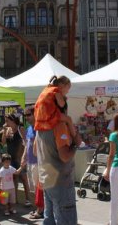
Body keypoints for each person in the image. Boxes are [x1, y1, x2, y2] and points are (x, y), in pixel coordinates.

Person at [34, 75, 82, 225]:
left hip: (46, 179)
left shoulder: (39, 128)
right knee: (65, 218)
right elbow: (65, 156)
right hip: (61, 181)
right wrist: (75, 144)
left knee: (49, 218)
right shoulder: (59, 126)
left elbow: (36, 152)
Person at [1, 113, 31, 206]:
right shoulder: (8, 130)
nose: (6, 122)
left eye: (7, 120)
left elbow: (26, 142)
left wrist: (23, 156)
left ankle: (28, 199)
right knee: (14, 178)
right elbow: (3, 142)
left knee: (24, 178)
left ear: (13, 120)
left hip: (19, 158)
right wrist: (4, 131)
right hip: (10, 158)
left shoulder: (20, 129)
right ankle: (15, 199)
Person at [21, 106, 43, 219]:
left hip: (38, 163)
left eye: (29, 114)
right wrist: (24, 157)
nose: (26, 117)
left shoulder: (39, 127)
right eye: (25, 115)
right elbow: (27, 144)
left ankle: (40, 210)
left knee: (39, 187)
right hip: (31, 162)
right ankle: (38, 208)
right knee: (34, 187)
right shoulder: (30, 127)